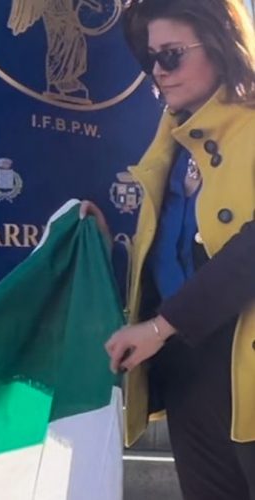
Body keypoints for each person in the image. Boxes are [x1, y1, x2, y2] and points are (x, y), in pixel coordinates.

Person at [83, 1, 255, 498]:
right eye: (150, 57)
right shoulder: (170, 138)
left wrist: (161, 327)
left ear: (221, 45)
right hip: (187, 368)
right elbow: (167, 256)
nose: (158, 71)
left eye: (173, 54)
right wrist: (102, 243)